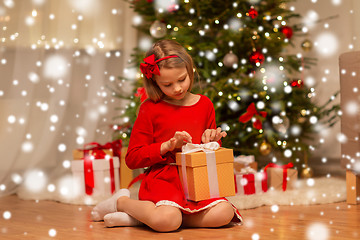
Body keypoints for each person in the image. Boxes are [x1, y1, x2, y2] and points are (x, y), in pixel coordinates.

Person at [91, 39, 242, 232]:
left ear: (190, 69)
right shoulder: (149, 109)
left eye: (182, 79)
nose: (177, 88)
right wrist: (166, 146)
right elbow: (133, 158)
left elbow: (209, 153)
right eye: (167, 84)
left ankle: (148, 217)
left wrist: (211, 142)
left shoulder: (205, 104)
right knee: (168, 220)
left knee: (224, 212)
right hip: (163, 180)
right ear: (154, 81)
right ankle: (121, 202)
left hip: (196, 180)